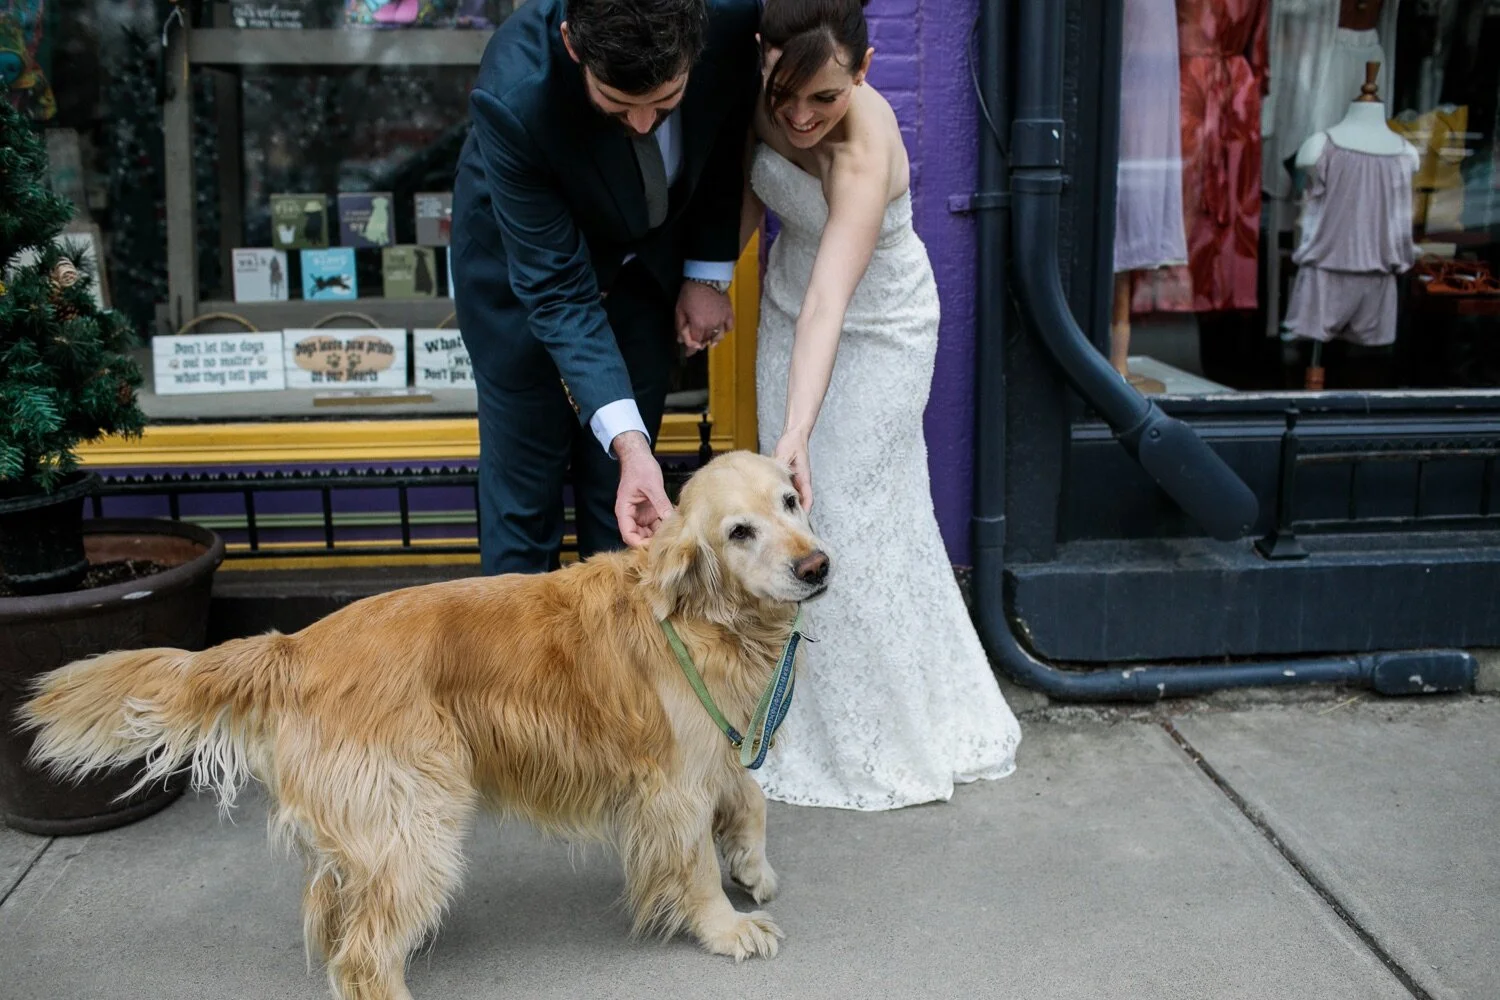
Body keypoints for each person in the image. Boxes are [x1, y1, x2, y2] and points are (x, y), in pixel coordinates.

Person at [744, 0, 1022, 810]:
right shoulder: (755, 87)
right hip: (786, 316)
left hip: (879, 328)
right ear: (762, 56)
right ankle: (795, 723)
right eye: (783, 94)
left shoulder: (866, 146)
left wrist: (795, 432)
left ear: (862, 73)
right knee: (805, 520)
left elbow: (837, 297)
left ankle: (886, 734)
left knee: (855, 515)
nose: (799, 116)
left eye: (822, 99)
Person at [451, 0, 760, 574]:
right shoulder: (516, 90)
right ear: (572, 44)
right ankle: (522, 666)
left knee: (623, 515)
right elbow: (559, 292)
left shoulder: (733, 20)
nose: (643, 125)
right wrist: (632, 444)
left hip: (645, 273)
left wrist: (705, 272)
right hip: (522, 282)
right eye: (618, 106)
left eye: (665, 104)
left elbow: (722, 138)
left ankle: (616, 662)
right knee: (525, 507)